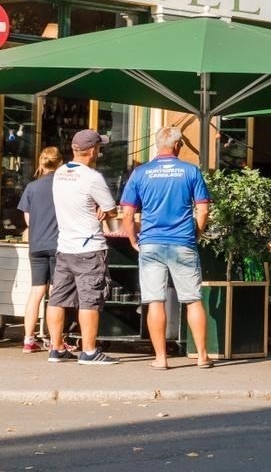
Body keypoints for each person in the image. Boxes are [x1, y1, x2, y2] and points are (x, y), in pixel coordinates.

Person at [118, 125, 213, 370]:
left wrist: (133, 239)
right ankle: (202, 356)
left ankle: (161, 358)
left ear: (156, 145)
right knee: (192, 300)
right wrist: (196, 234)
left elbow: (127, 213)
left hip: (151, 243)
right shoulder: (190, 171)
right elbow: (203, 210)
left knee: (155, 301)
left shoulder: (141, 173)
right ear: (178, 145)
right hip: (183, 242)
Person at [48, 130, 120, 365]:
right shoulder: (92, 177)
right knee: (90, 299)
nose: (100, 151)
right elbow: (111, 210)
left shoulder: (60, 173)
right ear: (92, 151)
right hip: (89, 247)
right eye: (99, 147)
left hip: (65, 246)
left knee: (58, 298)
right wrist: (103, 209)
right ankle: (89, 351)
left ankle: (56, 347)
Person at [18, 147, 63, 354]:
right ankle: (55, 341)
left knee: (36, 291)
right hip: (58, 244)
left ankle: (28, 340)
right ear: (60, 163)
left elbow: (28, 219)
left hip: (36, 245)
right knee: (56, 292)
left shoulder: (32, 187)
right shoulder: (63, 186)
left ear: (41, 162)